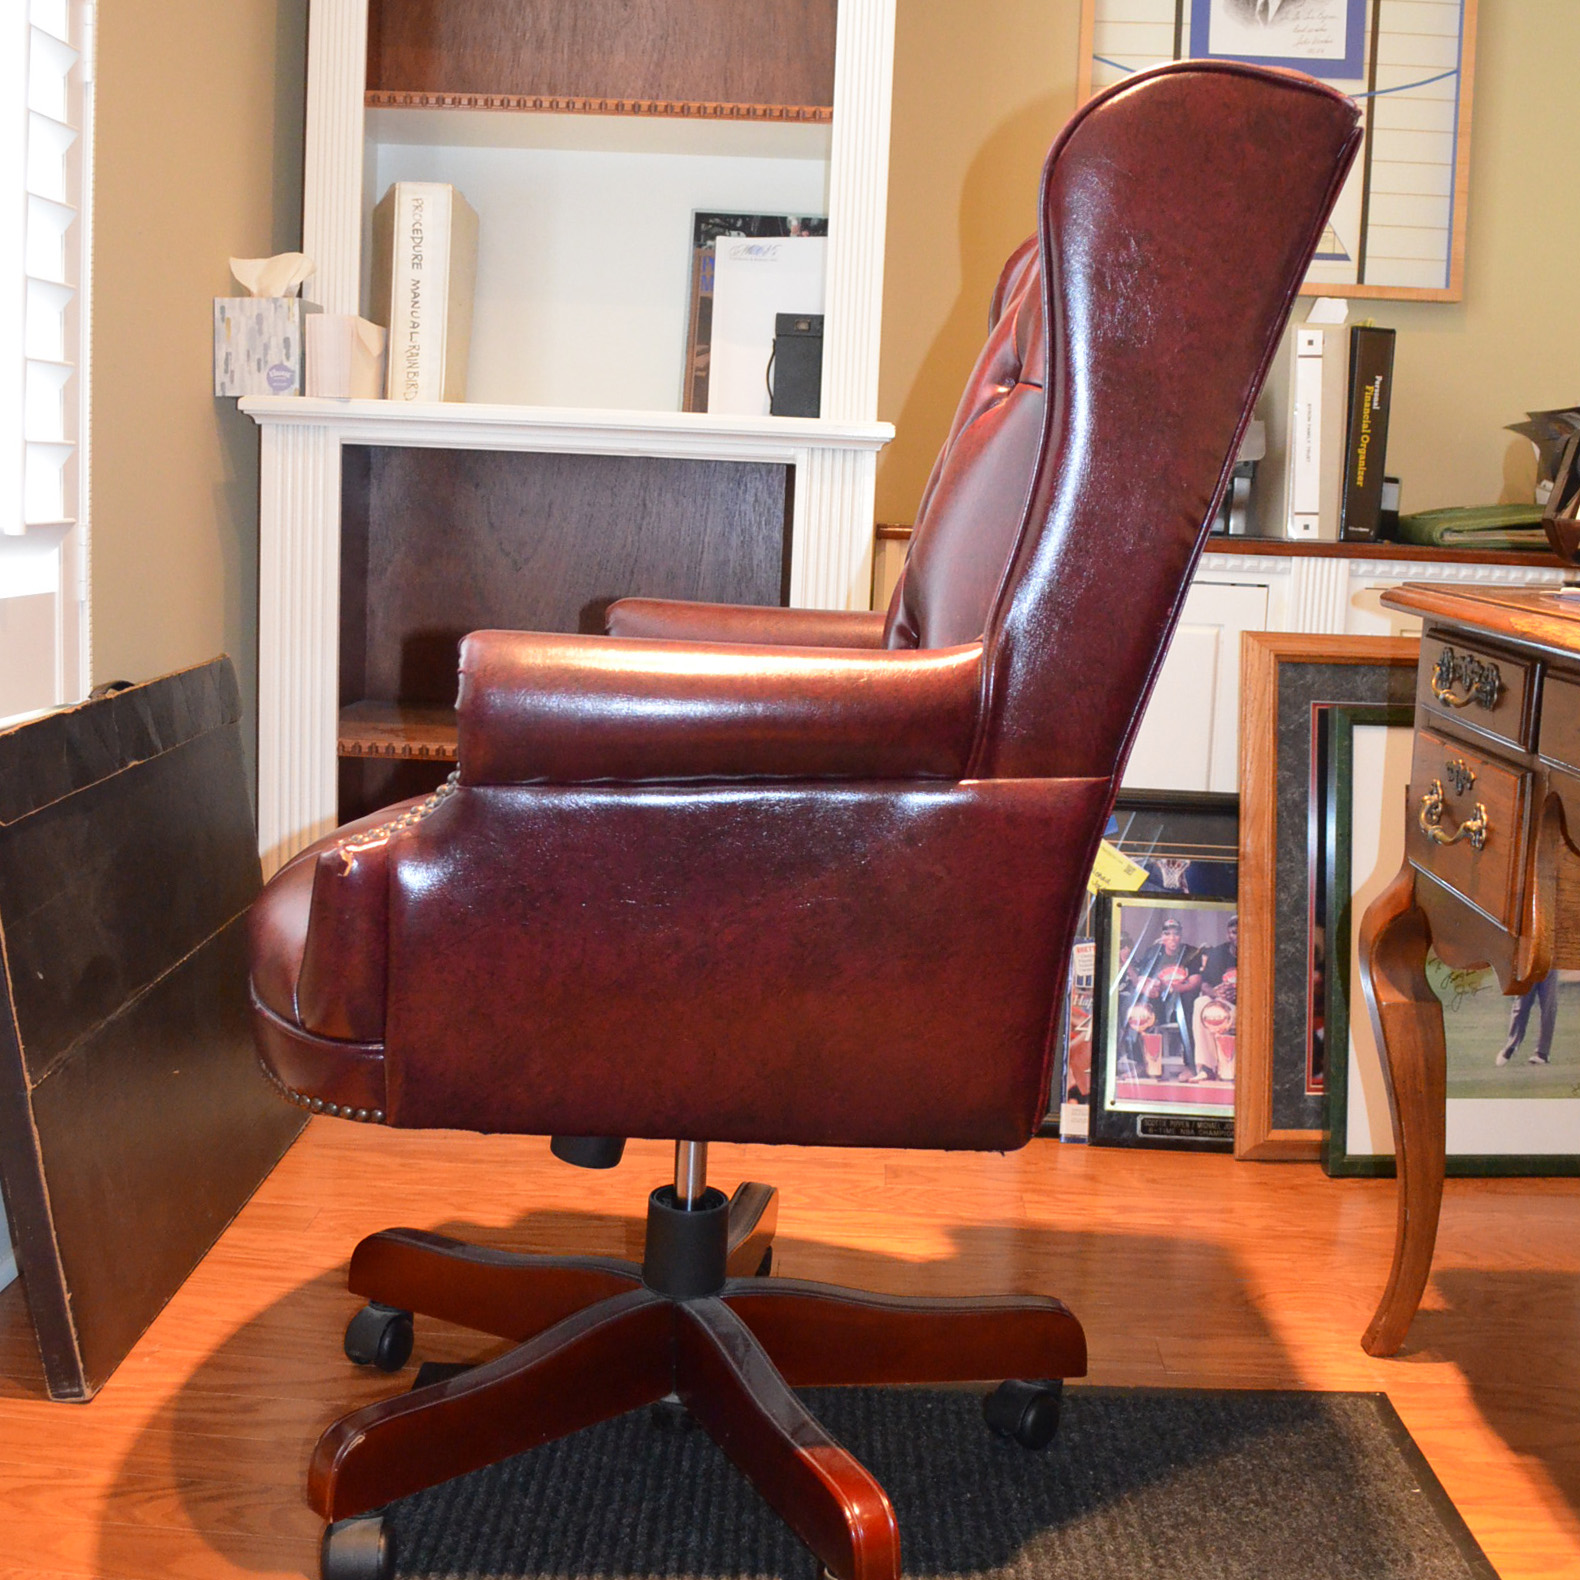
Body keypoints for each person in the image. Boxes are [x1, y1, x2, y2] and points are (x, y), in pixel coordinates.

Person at [1119, 917, 1202, 1079]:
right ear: (1162, 936)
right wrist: (1149, 986)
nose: (1172, 938)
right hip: (1159, 1003)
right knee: (1134, 1005)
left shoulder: (1191, 952)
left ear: (1181, 935)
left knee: (1184, 1006)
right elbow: (1141, 981)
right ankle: (1140, 1064)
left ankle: (1191, 1066)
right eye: (1167, 934)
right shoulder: (1154, 952)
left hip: (1182, 1001)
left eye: (1176, 934)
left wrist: (1172, 987)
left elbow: (1195, 981)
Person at [1191, 914, 1238, 1081]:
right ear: (1228, 934)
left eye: (1242, 931)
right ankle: (1206, 1067)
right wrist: (1216, 993)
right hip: (1222, 1006)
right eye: (1234, 932)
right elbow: (1205, 984)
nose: (1238, 935)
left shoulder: (1259, 951)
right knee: (1200, 1002)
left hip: (1248, 1009)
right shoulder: (1218, 952)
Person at [1494, 969, 1559, 1067]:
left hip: (1550, 963)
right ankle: (1511, 1046)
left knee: (1548, 1007)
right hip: (1529, 963)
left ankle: (1542, 1053)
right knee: (1521, 1004)